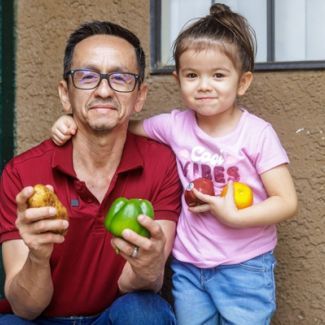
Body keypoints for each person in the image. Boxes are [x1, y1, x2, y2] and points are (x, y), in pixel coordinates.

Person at [51, 4, 298, 325]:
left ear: (243, 82)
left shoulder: (257, 134)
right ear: (178, 78)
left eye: (219, 75)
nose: (204, 85)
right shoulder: (174, 125)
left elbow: (286, 201)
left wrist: (235, 217)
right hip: (189, 267)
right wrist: (71, 120)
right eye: (192, 75)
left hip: (244, 264)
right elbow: (121, 126)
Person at [0, 20, 182, 324]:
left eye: (120, 78)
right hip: (42, 319)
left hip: (113, 315)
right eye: (87, 76)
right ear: (64, 94)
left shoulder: (161, 164)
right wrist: (38, 255)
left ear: (140, 96)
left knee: (144, 311)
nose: (103, 91)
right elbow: (26, 307)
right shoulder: (23, 174)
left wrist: (148, 265)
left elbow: (138, 285)